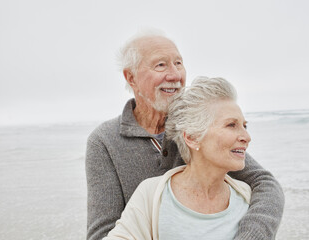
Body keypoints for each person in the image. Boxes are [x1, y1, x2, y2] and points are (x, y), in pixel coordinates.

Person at [86, 31, 284, 240]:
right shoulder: (104, 141)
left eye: (178, 63)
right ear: (131, 77)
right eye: (160, 65)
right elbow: (102, 233)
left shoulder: (199, 126)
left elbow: (264, 183)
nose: (175, 75)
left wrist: (251, 235)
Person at [103, 76, 253, 240]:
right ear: (192, 137)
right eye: (231, 125)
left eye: (244, 126)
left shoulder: (247, 197)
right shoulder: (151, 195)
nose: (246, 136)